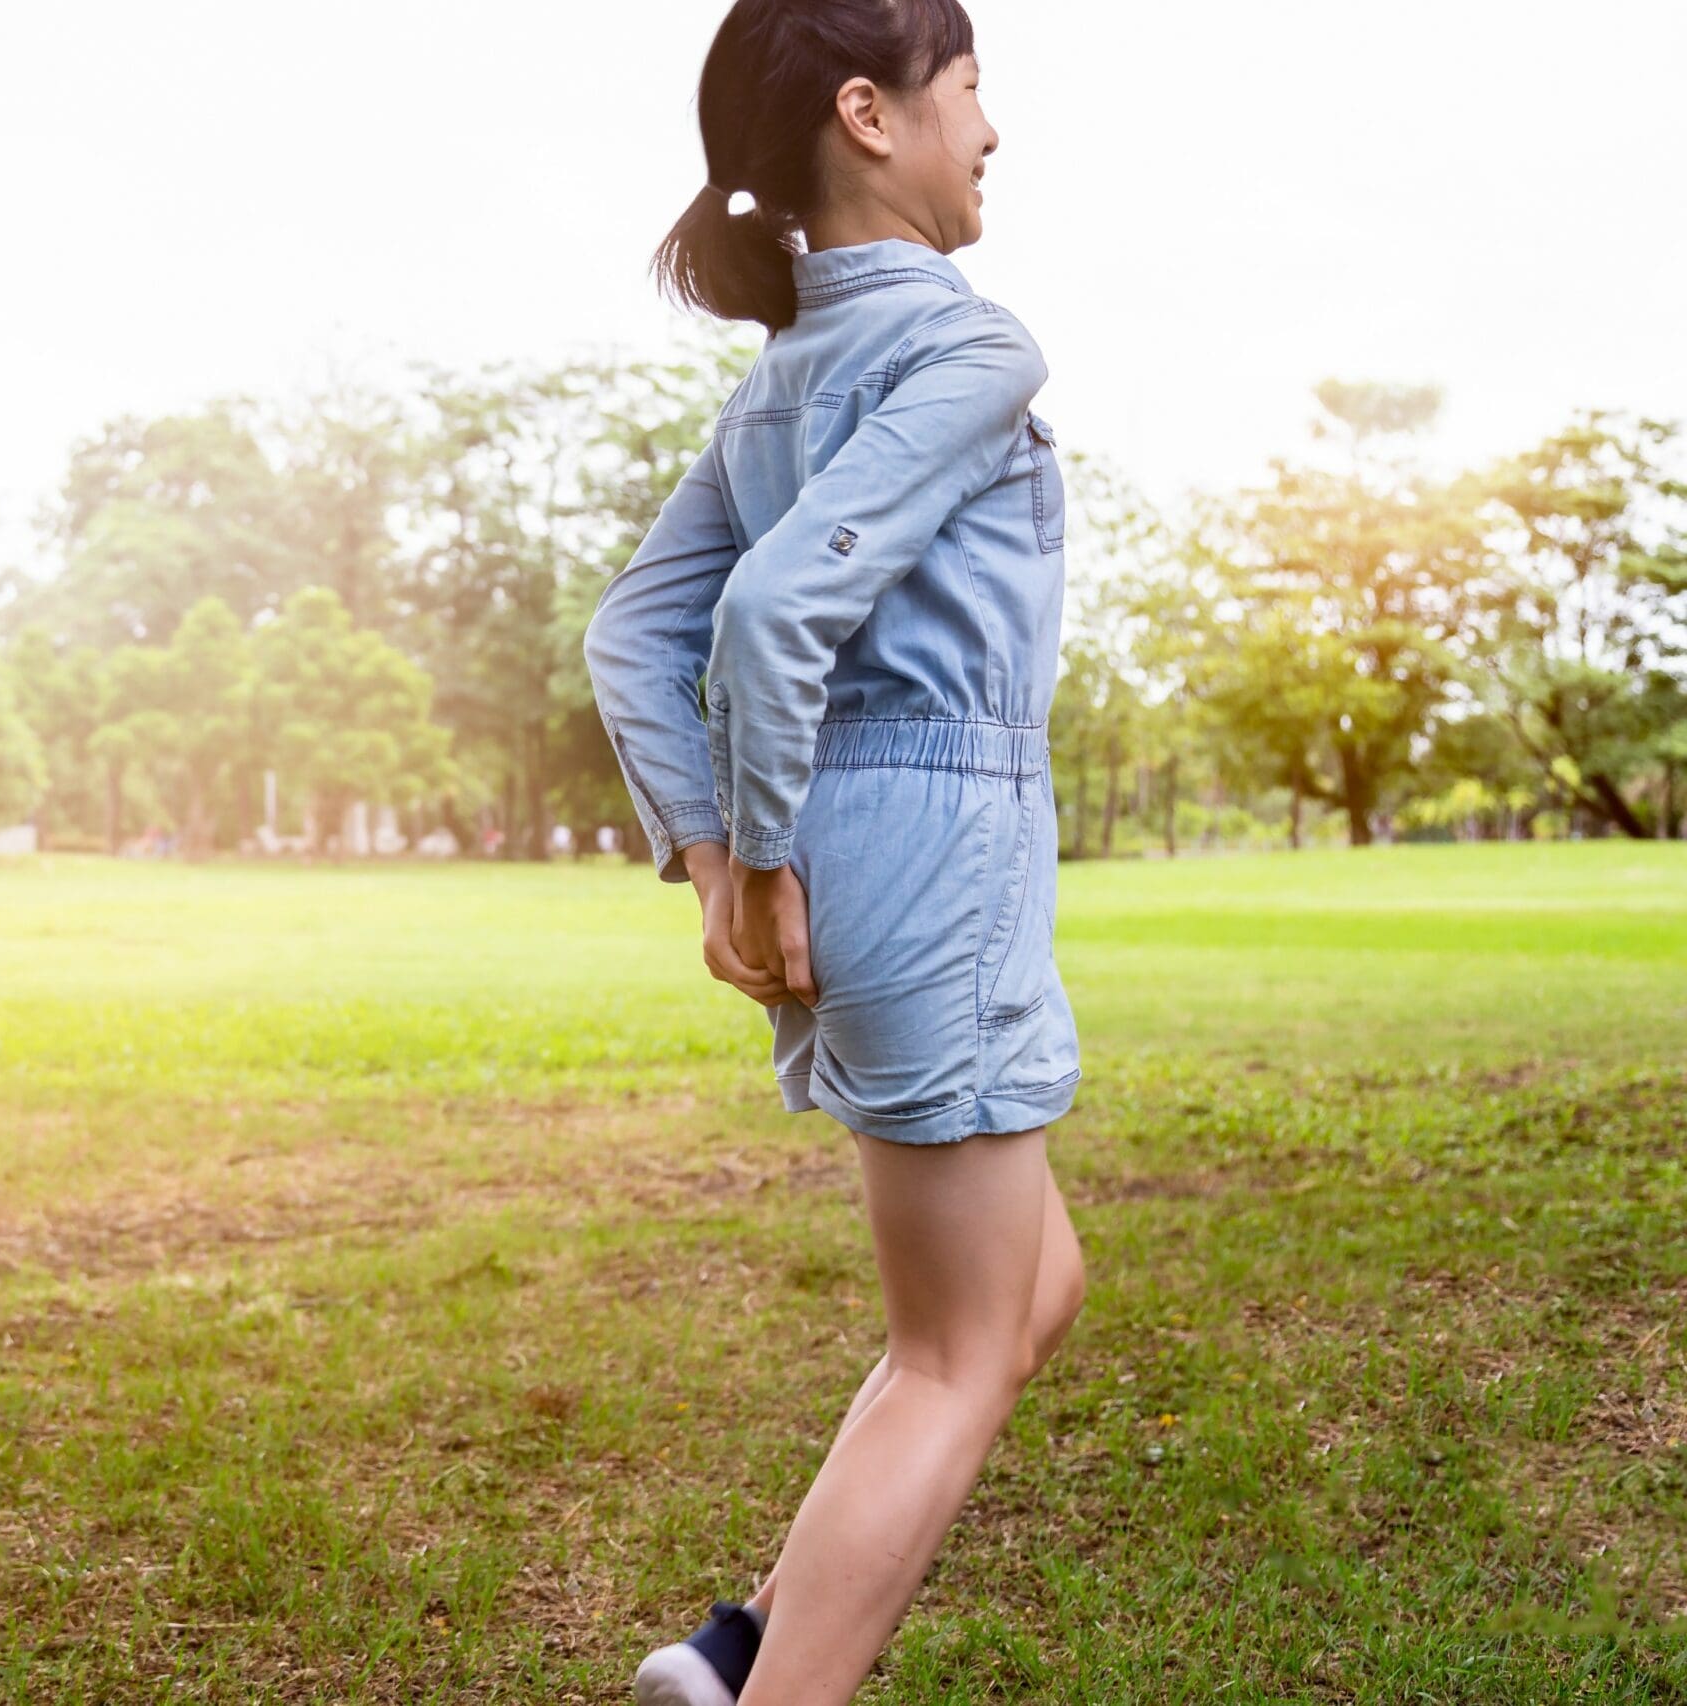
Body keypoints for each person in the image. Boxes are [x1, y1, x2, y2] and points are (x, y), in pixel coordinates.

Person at [579, 4, 1089, 1702]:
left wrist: (721, 849)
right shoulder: (972, 349)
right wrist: (753, 850)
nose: (993, 131)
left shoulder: (778, 383)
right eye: (971, 92)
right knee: (951, 1355)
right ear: (872, 115)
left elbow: (629, 632)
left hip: (868, 856)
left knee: (1031, 1286)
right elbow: (777, 604)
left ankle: (741, 1648)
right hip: (928, 842)